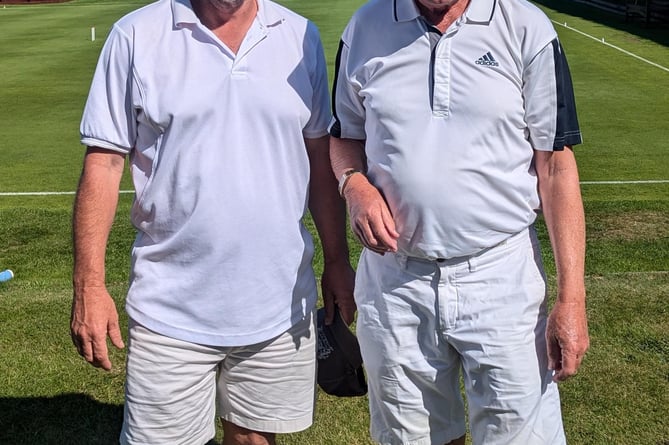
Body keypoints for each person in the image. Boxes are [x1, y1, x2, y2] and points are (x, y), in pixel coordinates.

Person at [70, 0, 356, 444]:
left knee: (254, 440)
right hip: (169, 309)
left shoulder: (300, 36)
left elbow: (318, 160)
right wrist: (89, 284)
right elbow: (104, 163)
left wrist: (337, 260)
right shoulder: (136, 34)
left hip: (278, 303)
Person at [329, 0, 589, 444]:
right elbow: (345, 137)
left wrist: (572, 299)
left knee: (518, 434)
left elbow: (555, 167)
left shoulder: (525, 25)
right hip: (396, 280)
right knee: (408, 436)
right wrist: (355, 186)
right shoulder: (365, 26)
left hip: (500, 275)